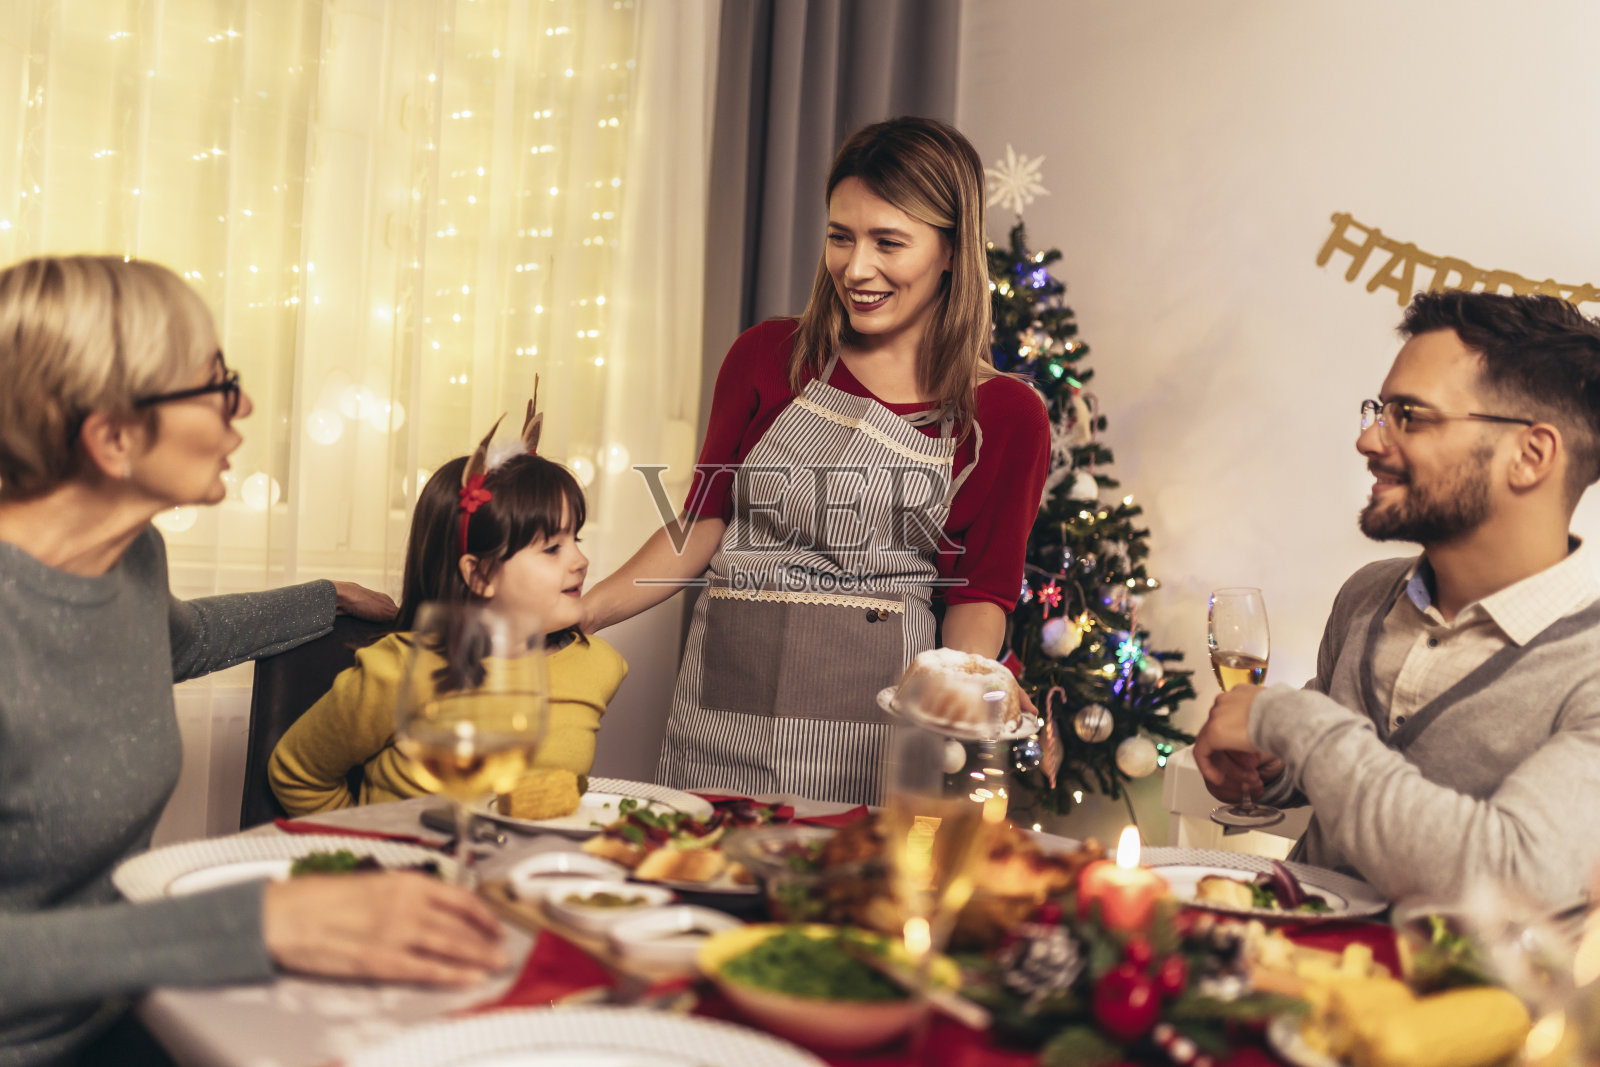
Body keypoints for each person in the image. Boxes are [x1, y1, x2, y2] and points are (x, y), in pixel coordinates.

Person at [0, 256, 507, 1067]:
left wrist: (321, 597)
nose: (245, 405)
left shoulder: (130, 561)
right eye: (215, 383)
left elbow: (181, 639)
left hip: (126, 1006)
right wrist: (266, 921)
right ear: (114, 436)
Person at [581, 117, 1050, 805]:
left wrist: (963, 687)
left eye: (889, 241)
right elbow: (700, 526)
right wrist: (581, 613)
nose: (855, 268)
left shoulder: (1004, 415)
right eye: (840, 236)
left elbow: (978, 596)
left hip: (870, 743)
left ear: (951, 251)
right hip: (718, 724)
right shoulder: (769, 357)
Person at [1192, 289, 1600, 907]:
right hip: (1290, 973)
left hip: (1452, 1001)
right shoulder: (1367, 595)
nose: (1368, 441)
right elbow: (1328, 768)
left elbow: (1510, 878)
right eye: (1376, 411)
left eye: (1410, 415)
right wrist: (1272, 769)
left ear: (1530, 455)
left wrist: (1292, 723)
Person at [268, 407, 628, 815]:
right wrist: (365, 846)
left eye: (576, 539)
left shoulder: (599, 666)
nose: (580, 560)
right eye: (552, 548)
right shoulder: (399, 671)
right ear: (478, 574)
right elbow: (296, 773)